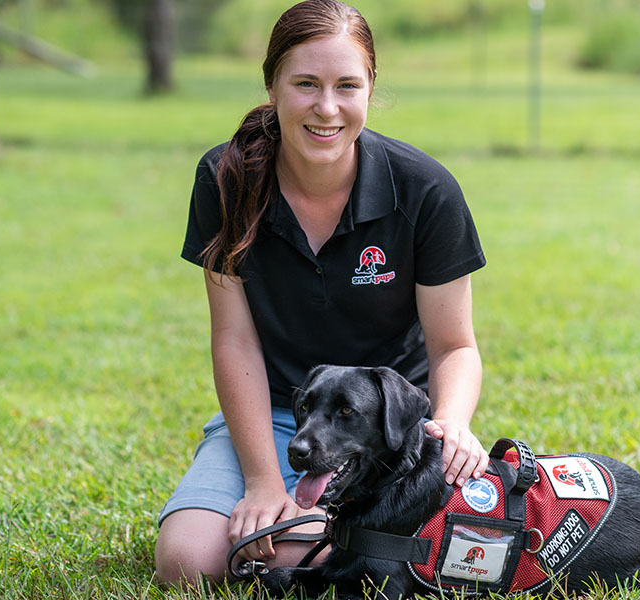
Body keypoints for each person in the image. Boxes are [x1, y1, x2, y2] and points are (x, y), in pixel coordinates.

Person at [154, 0, 489, 585]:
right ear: (272, 85)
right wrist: (260, 479)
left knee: (336, 547)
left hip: (387, 434)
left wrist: (452, 425)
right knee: (187, 560)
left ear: (370, 88)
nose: (326, 108)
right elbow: (234, 341)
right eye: (305, 83)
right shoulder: (226, 180)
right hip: (275, 415)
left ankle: (355, 547)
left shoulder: (426, 190)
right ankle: (348, 547)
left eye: (346, 86)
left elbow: (454, 347)